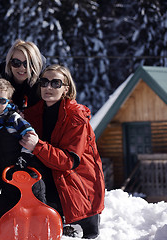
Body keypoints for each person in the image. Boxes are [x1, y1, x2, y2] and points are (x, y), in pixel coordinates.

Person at [20, 64, 105, 239]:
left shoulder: (75, 118)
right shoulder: (33, 114)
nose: (48, 87)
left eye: (55, 83)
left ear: (66, 89)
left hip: (77, 185)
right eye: (44, 82)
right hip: (50, 178)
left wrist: (37, 146)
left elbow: (68, 162)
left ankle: (67, 225)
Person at [0, 78, 47, 212]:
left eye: (2, 100)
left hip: (24, 167)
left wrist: (24, 157)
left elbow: (31, 134)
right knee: (12, 202)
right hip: (6, 170)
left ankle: (42, 224)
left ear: (9, 102)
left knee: (32, 198)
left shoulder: (13, 118)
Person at [0, 39, 45, 110]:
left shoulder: (43, 82)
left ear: (35, 65)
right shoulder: (0, 77)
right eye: (16, 62)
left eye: (27, 64)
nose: (22, 68)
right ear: (9, 63)